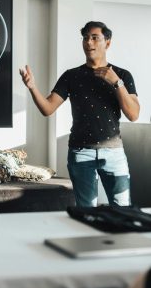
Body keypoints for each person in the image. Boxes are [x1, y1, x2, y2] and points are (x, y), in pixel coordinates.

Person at [20, 21, 140, 207]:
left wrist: (116, 82)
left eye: (94, 38)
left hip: (114, 153)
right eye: (85, 38)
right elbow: (47, 108)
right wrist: (32, 87)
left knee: (123, 208)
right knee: (86, 212)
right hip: (81, 153)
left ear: (107, 42)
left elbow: (133, 114)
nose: (88, 43)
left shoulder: (123, 75)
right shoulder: (71, 76)